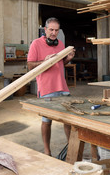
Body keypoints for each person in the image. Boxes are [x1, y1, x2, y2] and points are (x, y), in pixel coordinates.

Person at [27, 17, 75, 156]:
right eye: (51, 30)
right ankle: (47, 151)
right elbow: (30, 66)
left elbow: (60, 64)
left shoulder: (60, 44)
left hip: (63, 87)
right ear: (45, 30)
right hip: (47, 88)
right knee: (47, 121)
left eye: (56, 30)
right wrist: (44, 61)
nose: (54, 33)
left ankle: (71, 148)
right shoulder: (36, 44)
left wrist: (68, 59)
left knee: (68, 120)